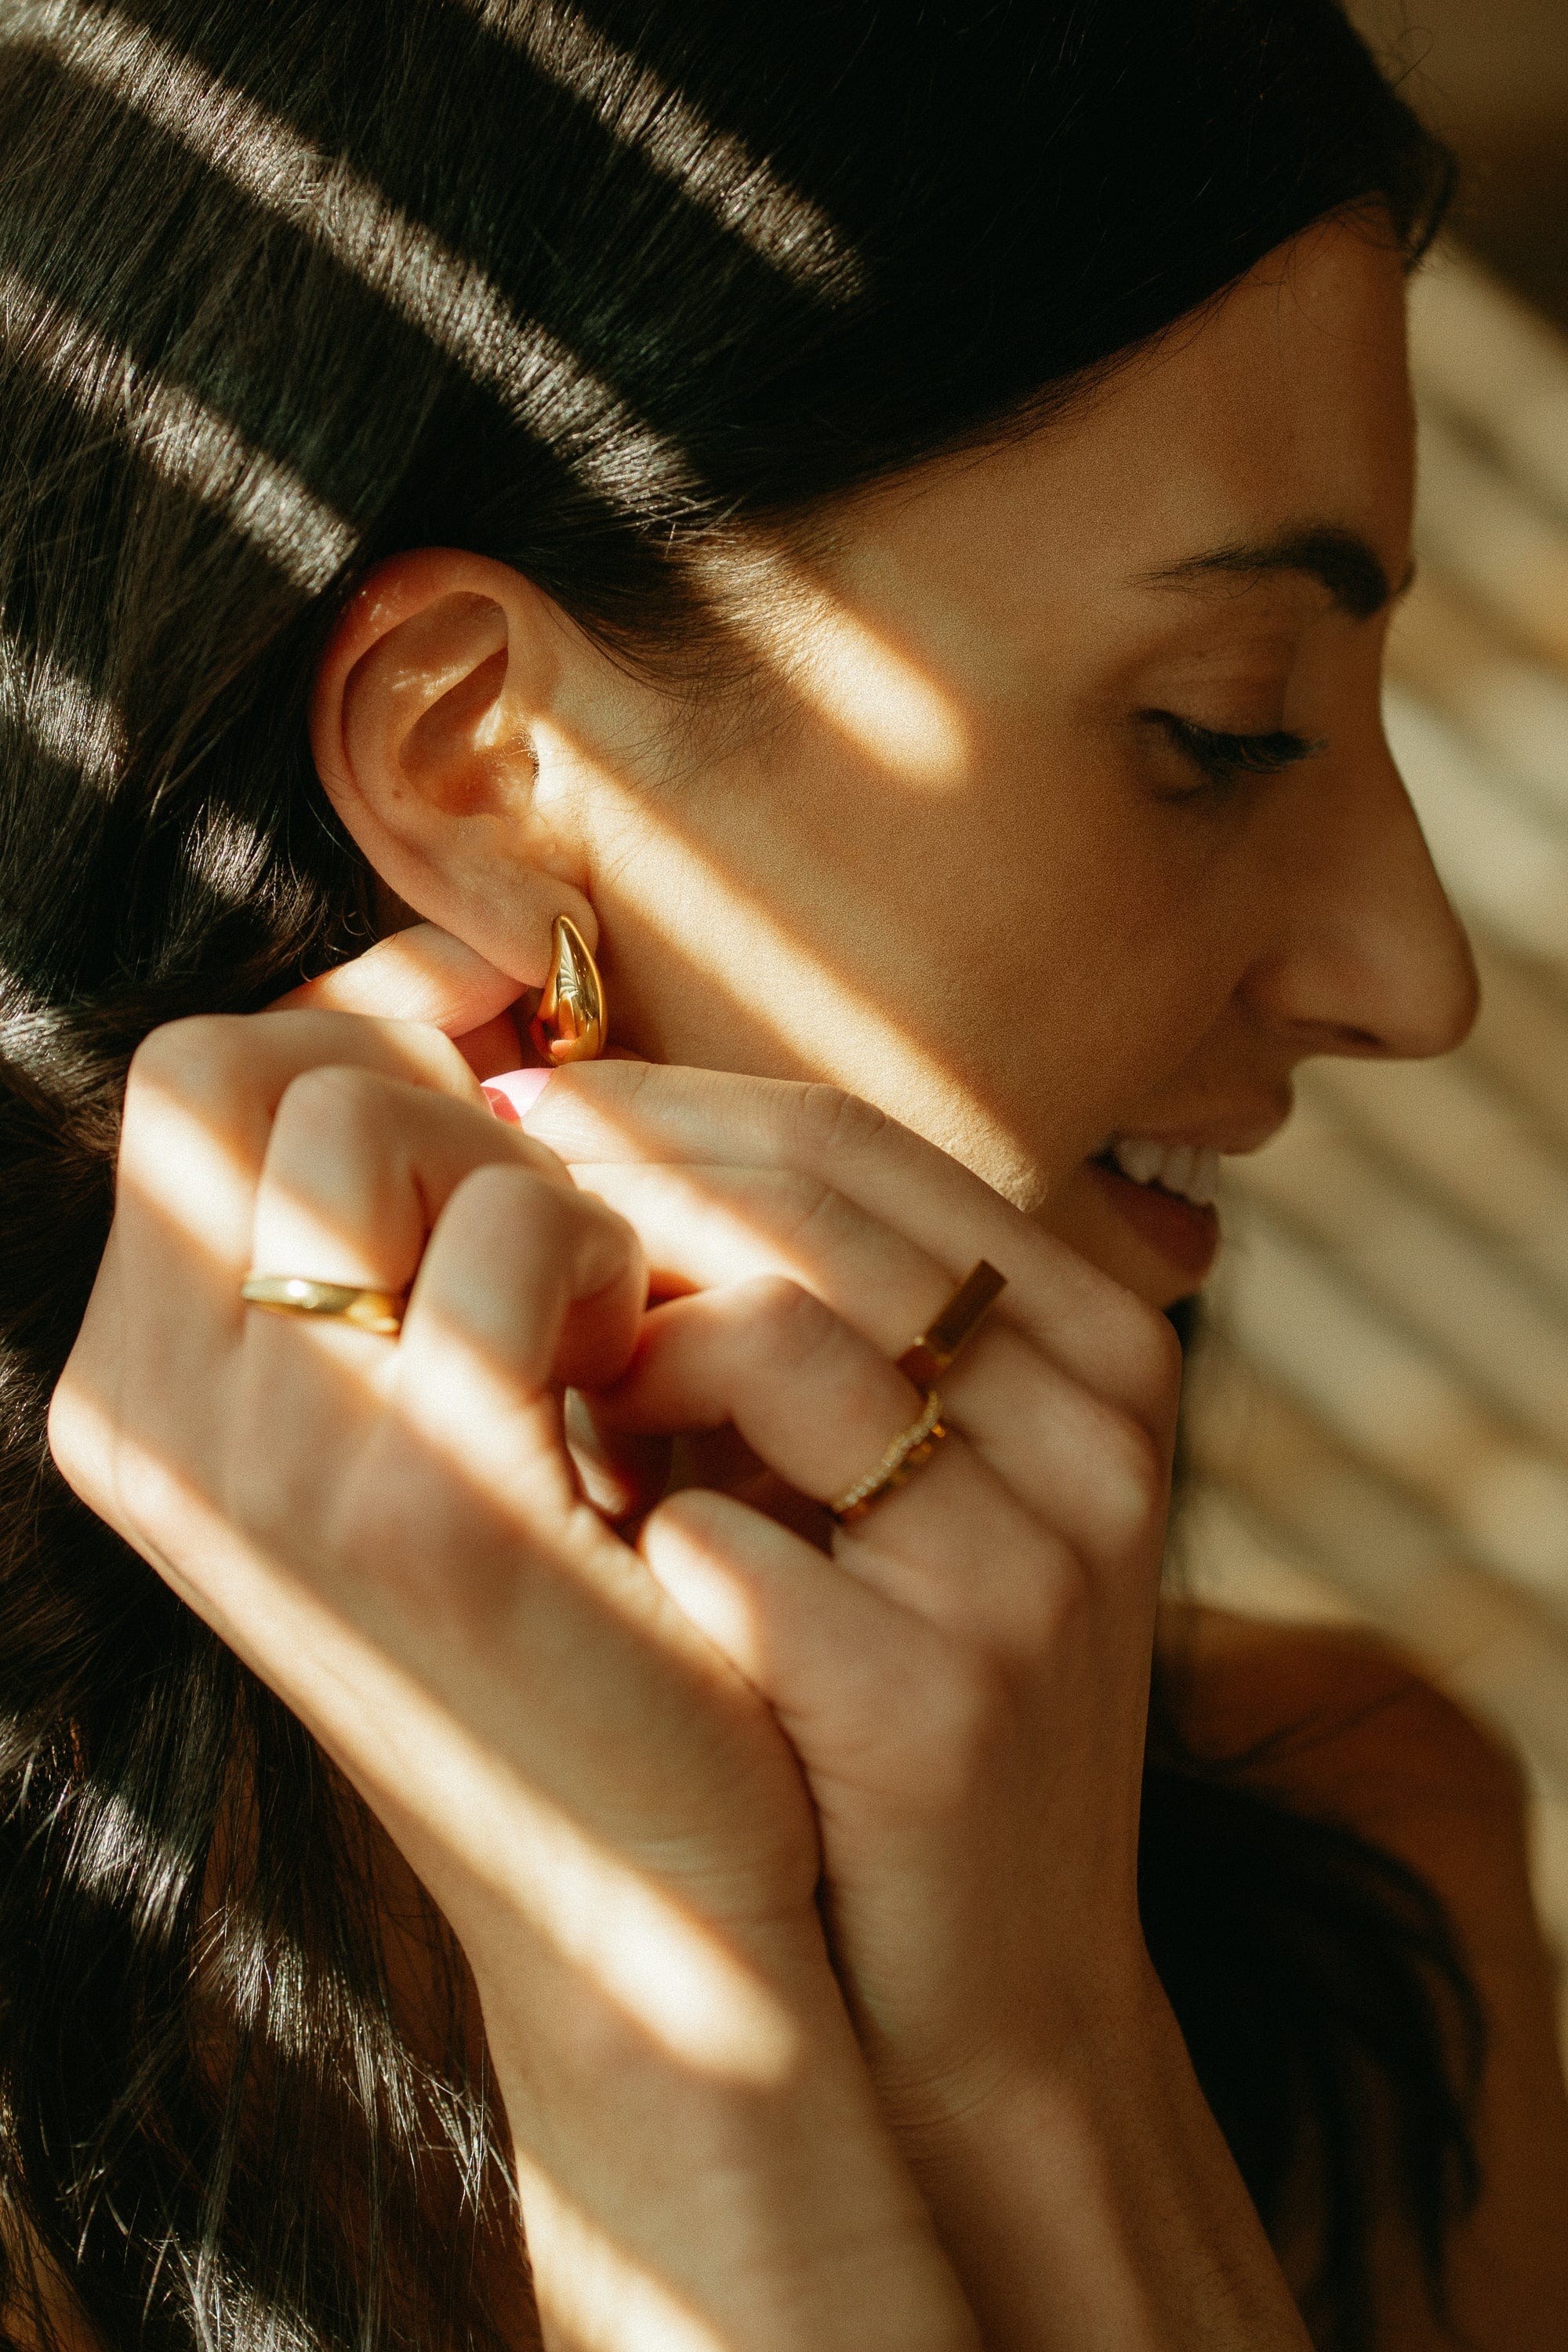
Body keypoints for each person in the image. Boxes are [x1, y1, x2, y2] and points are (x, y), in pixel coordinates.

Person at [1, 0, 1564, 2345]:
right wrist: (668, 2015)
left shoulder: (1358, 1859)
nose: (1410, 973)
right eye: (1216, 728)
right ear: (480, 759)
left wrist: (1046, 2058)